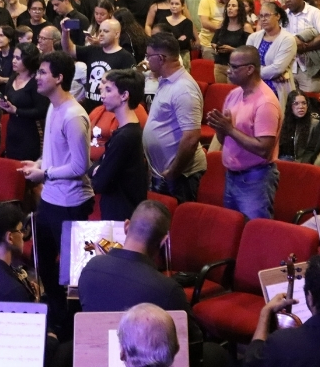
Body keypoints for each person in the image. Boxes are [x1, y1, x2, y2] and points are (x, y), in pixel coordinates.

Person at [79, 200, 225, 367]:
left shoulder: (91, 268)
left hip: (96, 359)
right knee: (216, 353)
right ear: (163, 241)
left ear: (126, 227)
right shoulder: (168, 290)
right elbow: (190, 343)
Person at [20, 51, 94, 321]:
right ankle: (56, 313)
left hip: (71, 203)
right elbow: (55, 153)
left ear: (59, 78)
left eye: (42, 73)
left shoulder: (74, 116)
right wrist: (39, 163)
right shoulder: (53, 106)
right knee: (43, 263)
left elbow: (80, 166)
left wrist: (45, 173)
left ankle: (71, 322)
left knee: (70, 272)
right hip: (50, 199)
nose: (37, 78)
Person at [206, 46, 281, 220]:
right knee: (233, 227)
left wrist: (229, 129)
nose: (228, 71)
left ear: (249, 69)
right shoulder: (234, 94)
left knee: (255, 231)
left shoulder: (266, 102)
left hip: (255, 178)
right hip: (232, 175)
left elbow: (264, 149)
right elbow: (225, 140)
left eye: (234, 67)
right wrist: (219, 127)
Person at [143, 33, 206, 203]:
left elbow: (191, 138)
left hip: (180, 176)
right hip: (164, 174)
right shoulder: (166, 81)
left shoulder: (184, 89)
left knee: (178, 217)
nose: (147, 60)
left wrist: (173, 172)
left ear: (160, 58)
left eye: (149, 56)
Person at [91, 69, 149, 221]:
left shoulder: (125, 137)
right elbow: (96, 168)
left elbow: (99, 183)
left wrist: (99, 170)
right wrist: (98, 169)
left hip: (121, 215)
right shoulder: (124, 132)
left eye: (109, 90)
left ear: (124, 96)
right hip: (118, 210)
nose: (103, 95)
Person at [63, 16, 136, 112]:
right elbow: (69, 49)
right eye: (100, 31)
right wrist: (65, 32)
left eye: (106, 31)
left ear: (116, 34)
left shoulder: (125, 57)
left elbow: (131, 88)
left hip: (110, 112)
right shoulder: (93, 50)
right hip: (90, 110)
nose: (101, 34)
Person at [0, 44, 48, 161]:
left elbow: (42, 111)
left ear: (28, 60)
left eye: (18, 58)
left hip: (31, 132)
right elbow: (9, 99)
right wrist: (4, 103)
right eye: (13, 57)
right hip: (13, 130)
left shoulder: (37, 81)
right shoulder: (13, 77)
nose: (13, 61)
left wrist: (17, 111)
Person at [247, 0, 298, 109]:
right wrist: (270, 73)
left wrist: (251, 73)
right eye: (261, 16)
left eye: (267, 15)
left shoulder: (287, 39)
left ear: (277, 16)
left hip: (277, 89)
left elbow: (277, 68)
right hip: (254, 88)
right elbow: (246, 64)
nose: (263, 19)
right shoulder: (253, 37)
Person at [284, 0, 320, 93]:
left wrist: (305, 47)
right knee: (290, 101)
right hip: (288, 67)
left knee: (311, 100)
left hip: (310, 68)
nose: (287, 0)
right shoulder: (283, 15)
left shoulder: (314, 13)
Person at [212, 0, 252, 84]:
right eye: (228, 6)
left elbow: (250, 50)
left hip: (236, 66)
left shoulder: (246, 27)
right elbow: (213, 42)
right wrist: (217, 48)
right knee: (220, 90)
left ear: (239, 9)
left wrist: (232, 49)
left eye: (233, 6)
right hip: (219, 65)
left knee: (232, 91)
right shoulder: (222, 25)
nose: (230, 8)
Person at [278, 91, 318, 162]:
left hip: (302, 161)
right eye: (296, 103)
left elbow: (312, 151)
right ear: (290, 106)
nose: (301, 107)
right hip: (282, 159)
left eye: (304, 103)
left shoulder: (315, 124)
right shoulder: (283, 122)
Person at [163, 0, 197, 69]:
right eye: (172, 3)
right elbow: (161, 38)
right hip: (166, 54)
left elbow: (184, 43)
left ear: (182, 7)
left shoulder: (187, 23)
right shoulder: (163, 21)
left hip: (182, 54)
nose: (174, 6)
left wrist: (170, 39)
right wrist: (177, 39)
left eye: (177, 4)